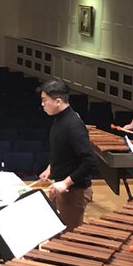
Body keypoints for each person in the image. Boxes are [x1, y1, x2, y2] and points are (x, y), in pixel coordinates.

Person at [37, 79, 99, 230]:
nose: (42, 104)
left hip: (74, 192)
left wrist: (66, 182)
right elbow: (64, 151)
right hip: (60, 188)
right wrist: (51, 168)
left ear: (58, 101)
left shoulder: (73, 125)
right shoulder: (60, 118)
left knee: (67, 240)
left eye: (45, 100)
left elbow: (90, 161)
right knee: (54, 236)